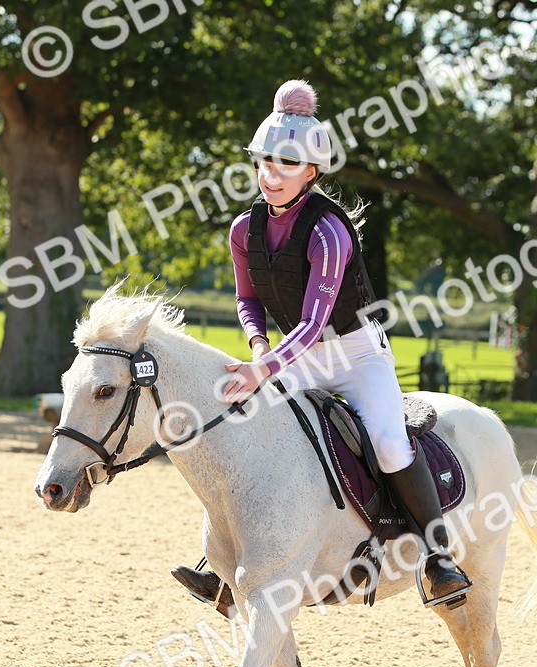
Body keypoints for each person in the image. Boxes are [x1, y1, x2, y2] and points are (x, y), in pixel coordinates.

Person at [171, 79, 471, 613]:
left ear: (312, 172)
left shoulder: (329, 233)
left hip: (356, 356)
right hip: (295, 355)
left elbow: (312, 323)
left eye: (286, 165)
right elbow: (248, 302)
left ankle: (437, 556)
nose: (271, 175)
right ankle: (219, 568)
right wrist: (259, 347)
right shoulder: (244, 230)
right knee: (241, 422)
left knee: (387, 441)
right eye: (264, 162)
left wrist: (264, 367)